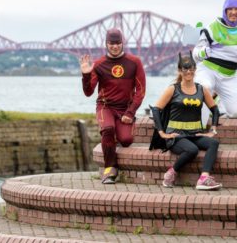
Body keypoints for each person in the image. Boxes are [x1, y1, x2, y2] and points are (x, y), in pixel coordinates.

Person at [80, 28, 146, 184]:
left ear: (122, 43)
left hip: (125, 108)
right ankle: (110, 169)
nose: (115, 46)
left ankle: (113, 134)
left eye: (117, 43)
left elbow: (141, 90)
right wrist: (86, 74)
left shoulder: (134, 62)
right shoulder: (99, 64)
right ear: (106, 44)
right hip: (105, 106)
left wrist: (130, 113)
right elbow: (88, 92)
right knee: (108, 130)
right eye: (111, 43)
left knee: (126, 140)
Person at [150, 53, 222, 190]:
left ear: (195, 70)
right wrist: (162, 133)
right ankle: (171, 173)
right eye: (185, 69)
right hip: (176, 136)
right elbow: (155, 110)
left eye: (191, 68)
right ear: (180, 70)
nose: (189, 71)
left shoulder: (201, 89)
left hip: (194, 134)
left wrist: (213, 129)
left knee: (214, 143)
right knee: (192, 150)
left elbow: (215, 109)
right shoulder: (173, 89)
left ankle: (204, 178)